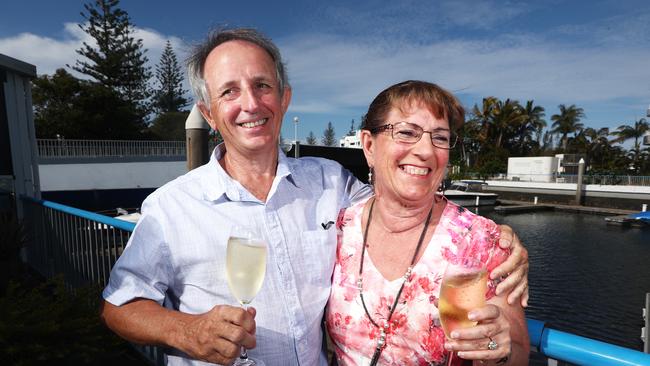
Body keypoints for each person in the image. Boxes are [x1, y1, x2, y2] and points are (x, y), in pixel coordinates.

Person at [100, 28, 529, 366]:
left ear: (284, 99)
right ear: (210, 113)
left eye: (262, 86)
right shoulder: (171, 207)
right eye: (229, 91)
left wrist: (500, 238)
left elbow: (400, 201)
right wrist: (183, 331)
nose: (250, 103)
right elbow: (119, 305)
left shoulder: (330, 184)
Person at [326, 80, 529, 365]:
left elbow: (516, 350)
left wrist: (498, 350)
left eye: (440, 138)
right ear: (369, 145)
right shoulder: (339, 228)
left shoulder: (480, 241)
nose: (426, 151)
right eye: (407, 133)